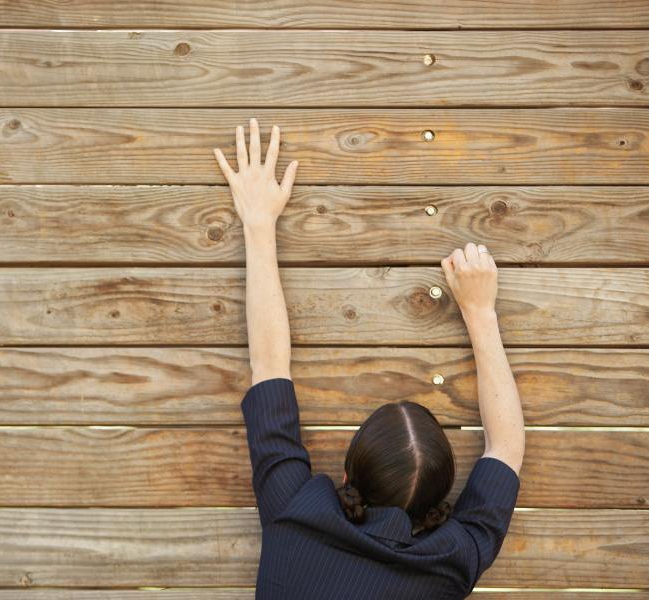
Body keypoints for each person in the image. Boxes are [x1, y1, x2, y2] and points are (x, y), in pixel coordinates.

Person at [214, 118, 526, 600]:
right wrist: (480, 312)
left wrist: (258, 223)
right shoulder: (449, 564)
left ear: (346, 476)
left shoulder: (295, 511)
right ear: (435, 508)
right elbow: (505, 448)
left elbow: (269, 367)